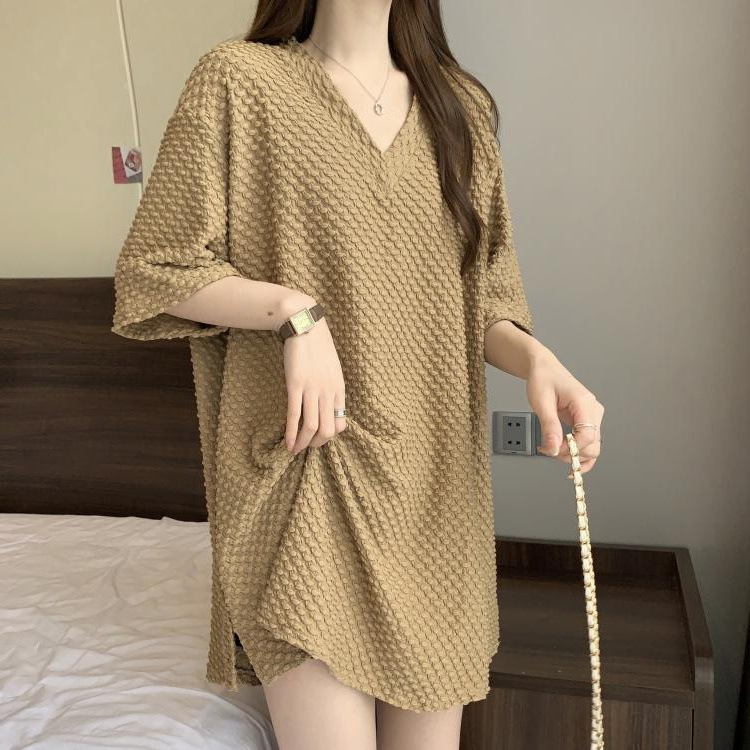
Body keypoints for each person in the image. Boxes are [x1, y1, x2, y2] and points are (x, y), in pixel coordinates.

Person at [111, 1, 604, 748]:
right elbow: (156, 270)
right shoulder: (240, 82)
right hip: (308, 467)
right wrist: (295, 313)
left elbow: (486, 300)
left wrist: (540, 361)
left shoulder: (460, 108)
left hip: (437, 497)